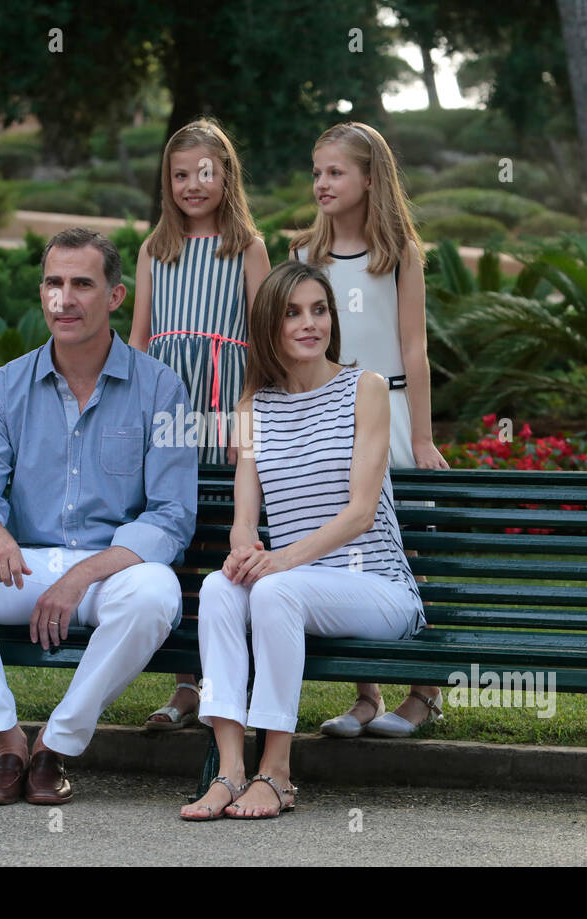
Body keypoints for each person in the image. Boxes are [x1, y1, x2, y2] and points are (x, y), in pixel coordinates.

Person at [0, 227, 197, 806]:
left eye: (82, 285)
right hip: (22, 572)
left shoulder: (163, 387)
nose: (63, 300)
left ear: (115, 297)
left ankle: (54, 748)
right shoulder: (4, 386)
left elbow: (172, 517)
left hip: (105, 577)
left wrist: (81, 576)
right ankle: (7, 742)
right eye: (53, 283)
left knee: (155, 594)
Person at [179, 261, 426, 820]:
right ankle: (229, 770)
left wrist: (278, 563)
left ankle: (279, 771)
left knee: (272, 592)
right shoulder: (252, 407)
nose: (309, 323)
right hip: (296, 582)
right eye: (292, 313)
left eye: (319, 310)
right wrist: (245, 550)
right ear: (270, 325)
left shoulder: (367, 389)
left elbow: (362, 513)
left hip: (376, 587)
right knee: (220, 590)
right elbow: (246, 518)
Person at [290, 121, 449, 739]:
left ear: (369, 179)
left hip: (397, 418)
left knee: (412, 552)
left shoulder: (399, 256)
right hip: (331, 421)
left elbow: (415, 349)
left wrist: (426, 437)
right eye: (316, 171)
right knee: (345, 550)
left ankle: (424, 692)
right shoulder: (305, 257)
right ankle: (367, 694)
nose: (321, 183)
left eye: (335, 172)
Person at [130, 118, 271, 732]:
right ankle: (185, 684)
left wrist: (249, 415)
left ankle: (230, 680)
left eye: (204, 173)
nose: (192, 184)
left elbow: (264, 340)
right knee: (176, 541)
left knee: (225, 538)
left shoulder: (246, 248)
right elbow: (137, 341)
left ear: (226, 175)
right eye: (180, 174)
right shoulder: (154, 250)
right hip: (169, 412)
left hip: (228, 410)